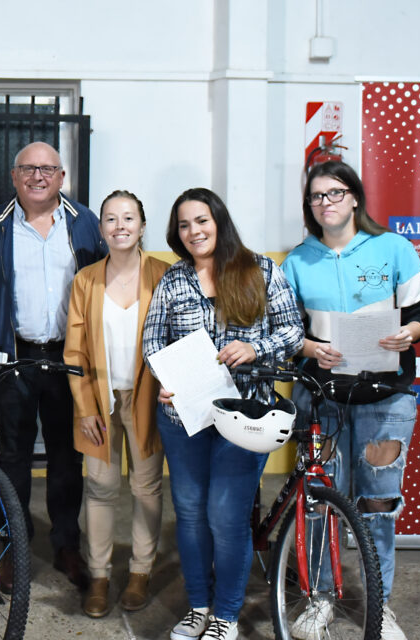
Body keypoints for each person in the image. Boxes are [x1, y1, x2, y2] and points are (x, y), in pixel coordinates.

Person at [281, 160, 420, 640]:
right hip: (322, 400)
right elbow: (284, 330)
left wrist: (408, 333)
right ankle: (321, 597)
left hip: (385, 401)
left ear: (354, 197)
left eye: (334, 193)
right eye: (316, 197)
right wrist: (309, 348)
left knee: (377, 504)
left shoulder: (393, 248)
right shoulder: (296, 261)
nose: (325, 203)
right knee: (320, 505)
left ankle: (380, 604)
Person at [142, 188, 303, 640]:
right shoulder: (174, 280)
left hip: (246, 418)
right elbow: (153, 341)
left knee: (226, 517)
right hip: (185, 417)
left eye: (202, 221)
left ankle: (226, 616)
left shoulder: (260, 270)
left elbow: (292, 330)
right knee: (190, 513)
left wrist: (257, 347)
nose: (194, 231)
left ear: (220, 221)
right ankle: (198, 607)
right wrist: (165, 381)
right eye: (184, 225)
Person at [0, 141, 106, 592]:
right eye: (27, 169)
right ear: (13, 177)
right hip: (14, 355)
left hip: (70, 357)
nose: (37, 177)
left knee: (68, 457)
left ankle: (66, 543)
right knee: (14, 457)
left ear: (62, 177)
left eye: (47, 169)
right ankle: (12, 547)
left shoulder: (85, 223)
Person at [63, 190, 169, 616]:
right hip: (99, 402)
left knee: (147, 487)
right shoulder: (86, 279)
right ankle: (100, 576)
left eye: (129, 218)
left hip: (149, 399)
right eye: (111, 218)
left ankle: (141, 571)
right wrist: (86, 408)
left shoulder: (164, 275)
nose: (120, 225)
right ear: (101, 228)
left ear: (143, 225)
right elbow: (74, 353)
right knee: (100, 489)